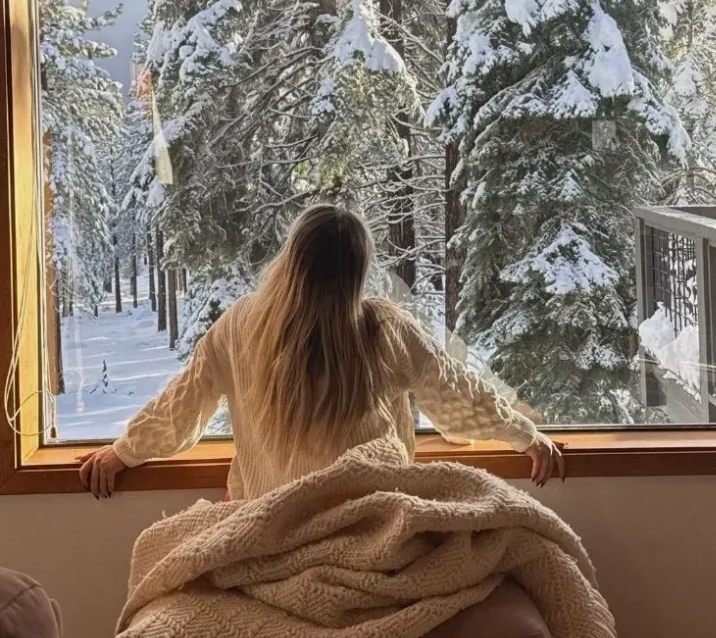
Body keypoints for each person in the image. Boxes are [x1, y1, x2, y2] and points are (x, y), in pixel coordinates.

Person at [80, 204, 564, 500]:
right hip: (372, 525)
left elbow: (181, 408)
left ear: (290, 261)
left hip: (274, 525)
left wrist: (122, 454)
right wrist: (527, 436)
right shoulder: (384, 327)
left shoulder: (240, 325)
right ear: (358, 272)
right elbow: (456, 398)